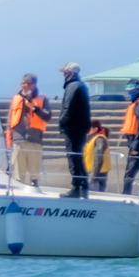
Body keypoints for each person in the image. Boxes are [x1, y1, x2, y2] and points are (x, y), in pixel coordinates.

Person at [5, 74, 50, 187]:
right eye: (22, 83)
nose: (23, 85)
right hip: (18, 140)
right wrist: (9, 140)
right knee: (18, 176)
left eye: (26, 83)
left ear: (33, 85)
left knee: (34, 175)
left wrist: (34, 107)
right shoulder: (16, 99)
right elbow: (10, 121)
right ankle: (19, 195)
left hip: (35, 141)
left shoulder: (42, 99)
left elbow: (48, 116)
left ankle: (35, 196)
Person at [57, 63, 92, 198]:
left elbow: (68, 107)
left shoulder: (73, 86)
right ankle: (84, 186)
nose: (64, 75)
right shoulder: (81, 86)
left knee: (73, 157)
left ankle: (76, 188)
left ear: (71, 73)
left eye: (65, 73)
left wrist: (61, 121)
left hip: (73, 128)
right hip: (81, 127)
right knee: (78, 157)